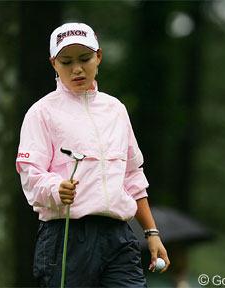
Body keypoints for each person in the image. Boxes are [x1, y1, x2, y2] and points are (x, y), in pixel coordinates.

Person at [16, 22, 170, 287]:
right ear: (53, 64)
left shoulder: (116, 110)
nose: (77, 69)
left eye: (85, 58)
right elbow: (31, 174)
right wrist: (56, 188)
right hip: (66, 237)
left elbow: (132, 176)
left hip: (118, 236)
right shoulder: (42, 112)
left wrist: (151, 232)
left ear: (98, 56)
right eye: (66, 62)